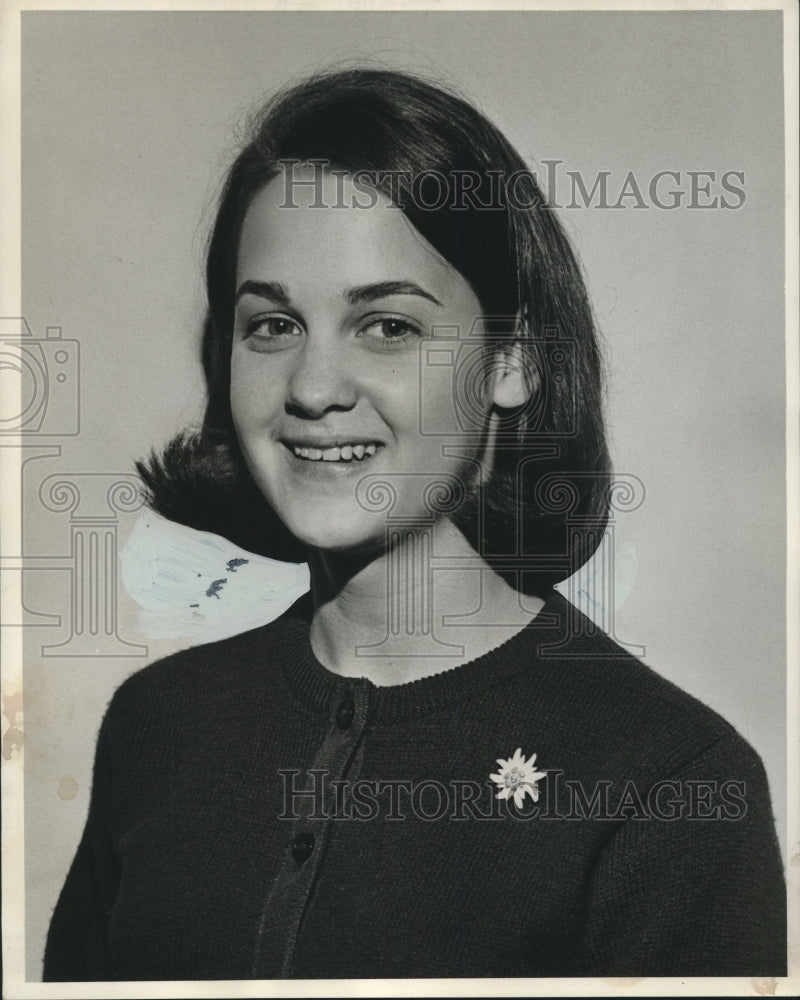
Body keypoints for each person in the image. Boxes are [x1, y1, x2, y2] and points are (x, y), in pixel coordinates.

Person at [43, 68, 785, 981]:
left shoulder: (669, 783)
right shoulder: (158, 726)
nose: (315, 389)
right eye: (272, 325)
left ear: (513, 361)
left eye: (387, 326)